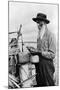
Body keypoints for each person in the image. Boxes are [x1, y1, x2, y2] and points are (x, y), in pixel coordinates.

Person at [30, 13, 56, 86]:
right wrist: (33, 51)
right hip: (38, 64)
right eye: (37, 23)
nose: (38, 25)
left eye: (40, 23)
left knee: (48, 84)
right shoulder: (39, 36)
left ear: (45, 23)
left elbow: (52, 55)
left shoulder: (51, 35)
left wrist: (38, 52)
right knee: (40, 83)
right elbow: (39, 50)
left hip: (47, 65)